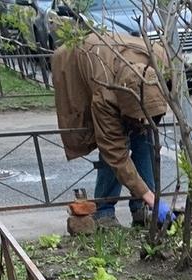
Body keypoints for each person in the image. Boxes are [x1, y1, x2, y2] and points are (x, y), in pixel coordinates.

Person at [51, 33, 173, 227]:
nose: (142, 121)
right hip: (79, 67)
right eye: (137, 117)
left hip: (119, 62)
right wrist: (152, 198)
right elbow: (114, 152)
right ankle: (104, 211)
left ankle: (142, 207)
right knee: (113, 148)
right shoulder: (104, 96)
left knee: (145, 139)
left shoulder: (160, 63)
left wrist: (151, 200)